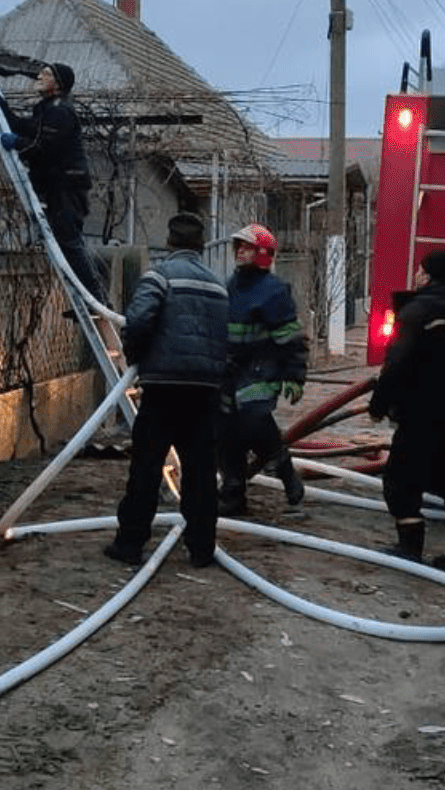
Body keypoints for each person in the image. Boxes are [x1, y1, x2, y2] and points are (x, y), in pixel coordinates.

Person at [106, 211, 230, 569]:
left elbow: (140, 320)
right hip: (204, 389)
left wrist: (136, 356)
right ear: (201, 245)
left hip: (163, 386)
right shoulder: (218, 285)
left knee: (146, 466)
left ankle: (129, 544)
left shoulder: (158, 277)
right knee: (201, 472)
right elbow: (225, 337)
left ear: (171, 242)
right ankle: (202, 549)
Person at [367, 249, 445, 574]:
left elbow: (397, 364)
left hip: (422, 414)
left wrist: (378, 405)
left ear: (426, 275)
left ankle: (409, 546)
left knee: (400, 480)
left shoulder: (416, 311)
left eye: (420, 271)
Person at [216, 224, 309, 518]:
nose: (240, 252)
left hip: (262, 368)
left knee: (255, 419)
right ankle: (233, 495)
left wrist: (294, 376)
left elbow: (291, 339)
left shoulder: (273, 292)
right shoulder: (230, 286)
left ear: (262, 254)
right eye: (238, 247)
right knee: (227, 432)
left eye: (247, 247)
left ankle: (285, 471)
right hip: (230, 371)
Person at [0, 62, 104, 302]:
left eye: (46, 74)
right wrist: (1, 108)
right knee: (67, 244)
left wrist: (17, 143)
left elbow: (44, 148)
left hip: (67, 186)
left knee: (69, 244)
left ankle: (94, 300)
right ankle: (85, 299)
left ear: (58, 84)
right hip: (58, 185)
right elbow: (26, 128)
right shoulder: (47, 109)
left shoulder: (60, 112)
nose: (39, 76)